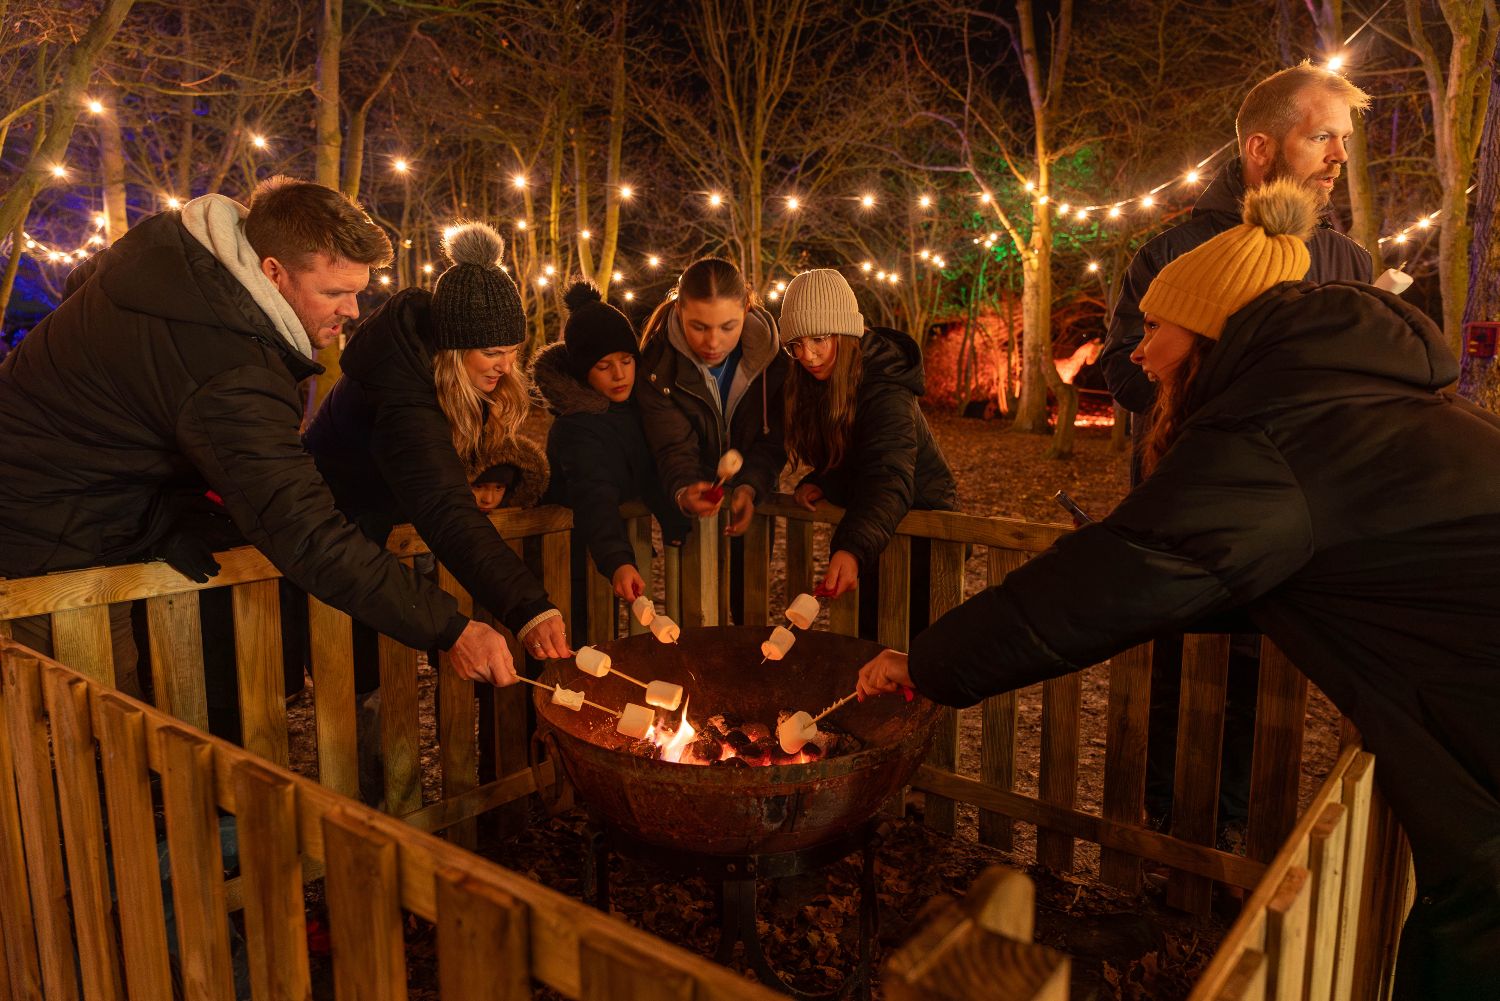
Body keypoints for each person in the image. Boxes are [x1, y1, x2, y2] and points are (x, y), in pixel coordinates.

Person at [859, 180, 1500, 1000]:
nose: (1138, 348)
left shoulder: (1272, 434)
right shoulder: (1337, 401)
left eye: (1157, 326)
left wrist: (928, 662)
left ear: (1209, 333)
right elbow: (1208, 574)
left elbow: (1104, 588)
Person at [0, 177, 515, 700]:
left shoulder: (169, 265)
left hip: (96, 515)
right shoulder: (230, 364)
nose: (352, 310)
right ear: (273, 271)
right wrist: (450, 629)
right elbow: (303, 528)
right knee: (101, 714)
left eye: (358, 292)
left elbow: (132, 402)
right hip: (49, 535)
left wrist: (167, 514)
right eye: (334, 292)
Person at [1098, 62, 1376, 836]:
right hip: (1181, 510)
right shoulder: (1172, 251)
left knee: (1265, 690)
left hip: (1297, 525)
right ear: (1260, 147)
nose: (1337, 157)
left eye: (1343, 140)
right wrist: (1228, 401)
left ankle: (1235, 837)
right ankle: (1158, 831)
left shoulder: (1346, 262)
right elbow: (1125, 369)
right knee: (1171, 678)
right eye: (1321, 136)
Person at [303, 222, 571, 675]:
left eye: (512, 350)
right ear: (452, 349)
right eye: (491, 352)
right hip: (337, 542)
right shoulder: (403, 396)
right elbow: (444, 505)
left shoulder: (458, 381)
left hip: (384, 535)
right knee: (355, 676)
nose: (506, 366)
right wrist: (529, 607)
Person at [780, 269, 957, 637]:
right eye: (795, 344)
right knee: (870, 646)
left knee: (906, 648)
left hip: (921, 540)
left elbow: (887, 473)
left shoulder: (886, 389)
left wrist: (852, 547)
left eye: (818, 339)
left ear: (845, 333)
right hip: (877, 528)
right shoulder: (820, 379)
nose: (807, 355)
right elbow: (853, 450)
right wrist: (825, 478)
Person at [533, 279, 691, 634]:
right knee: (579, 636)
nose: (620, 374)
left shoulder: (637, 410)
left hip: (600, 551)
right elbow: (594, 494)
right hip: (565, 557)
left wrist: (673, 515)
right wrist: (618, 559)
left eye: (626, 360)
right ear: (582, 371)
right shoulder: (578, 428)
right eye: (604, 366)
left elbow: (646, 466)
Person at [636, 257, 788, 620]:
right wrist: (685, 487)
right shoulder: (659, 367)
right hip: (692, 503)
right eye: (699, 326)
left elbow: (773, 439)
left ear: (747, 309)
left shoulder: (773, 361)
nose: (713, 342)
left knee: (748, 604)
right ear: (679, 310)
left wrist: (751, 486)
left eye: (727, 326)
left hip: (754, 495)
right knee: (694, 610)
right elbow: (672, 444)